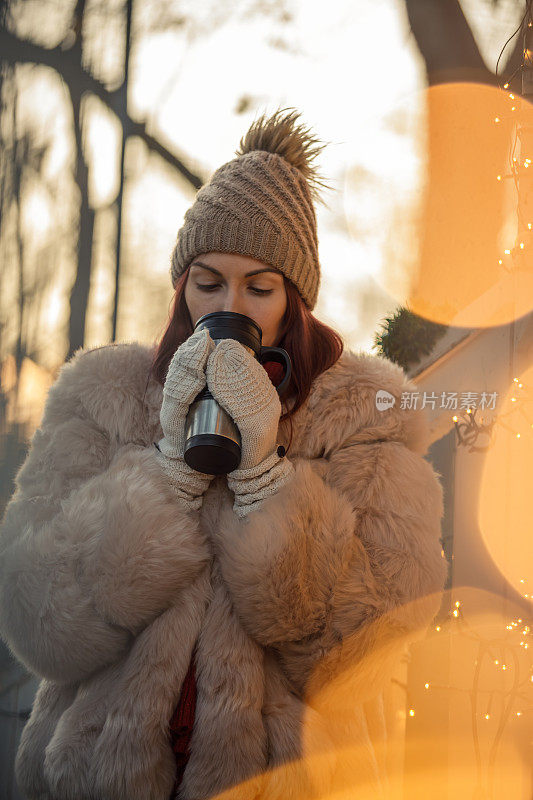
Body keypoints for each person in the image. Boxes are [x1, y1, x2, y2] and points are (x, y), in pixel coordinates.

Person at [0, 108, 447, 800]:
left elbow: (368, 654)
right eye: (207, 282)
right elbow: (37, 620)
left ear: (294, 301)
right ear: (181, 286)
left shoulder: (363, 419)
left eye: (258, 288)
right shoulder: (106, 394)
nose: (227, 305)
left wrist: (269, 482)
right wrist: (164, 478)